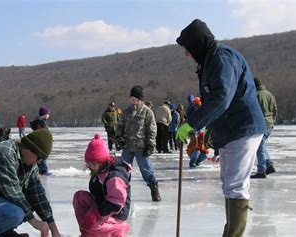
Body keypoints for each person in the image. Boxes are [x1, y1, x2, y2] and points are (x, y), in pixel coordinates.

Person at [175, 19, 265, 236]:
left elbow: (221, 98)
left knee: (235, 186)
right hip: (230, 131)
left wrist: (193, 125)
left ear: (198, 45)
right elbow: (209, 101)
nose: (187, 55)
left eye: (188, 50)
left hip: (242, 129)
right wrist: (191, 120)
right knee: (229, 184)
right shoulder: (209, 62)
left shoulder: (222, 59)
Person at [73, 134, 131, 237]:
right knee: (79, 197)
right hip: (102, 205)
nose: (90, 167)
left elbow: (115, 203)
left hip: (116, 213)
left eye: (93, 164)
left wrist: (96, 214)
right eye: (89, 164)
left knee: (92, 226)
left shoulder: (114, 177)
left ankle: (118, 228)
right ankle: (86, 232)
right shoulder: (100, 171)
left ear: (102, 162)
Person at [115, 85, 161, 201]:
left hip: (141, 147)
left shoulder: (147, 112)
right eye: (132, 99)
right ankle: (123, 193)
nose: (134, 102)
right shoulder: (126, 112)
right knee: (124, 171)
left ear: (141, 100)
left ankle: (153, 188)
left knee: (146, 170)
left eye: (136, 100)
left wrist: (150, 145)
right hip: (128, 146)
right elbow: (120, 126)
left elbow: (152, 130)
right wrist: (119, 138)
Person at [251, 77, 278, 179]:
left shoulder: (255, 95)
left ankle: (261, 170)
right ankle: (268, 164)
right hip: (269, 124)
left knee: (259, 148)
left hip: (261, 124)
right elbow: (275, 109)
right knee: (261, 145)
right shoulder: (269, 94)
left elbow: (254, 111)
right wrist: (272, 122)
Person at [30, 106, 51, 176]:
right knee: (42, 156)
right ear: (44, 114)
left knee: (39, 156)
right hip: (40, 142)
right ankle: (43, 171)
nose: (49, 115)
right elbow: (43, 132)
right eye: (48, 114)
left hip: (37, 141)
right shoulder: (41, 122)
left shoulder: (38, 121)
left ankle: (39, 170)